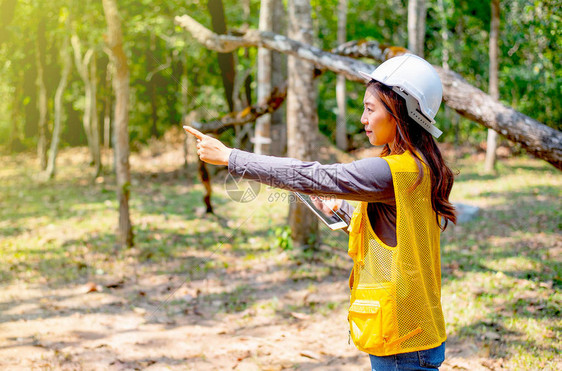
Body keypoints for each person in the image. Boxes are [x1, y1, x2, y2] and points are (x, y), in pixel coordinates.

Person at [184, 53, 456, 371]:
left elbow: (313, 175)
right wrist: (346, 212)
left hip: (402, 340)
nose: (363, 119)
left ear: (399, 111)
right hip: (415, 330)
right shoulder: (422, 166)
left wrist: (231, 157)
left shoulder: (391, 172)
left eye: (370, 109)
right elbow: (400, 233)